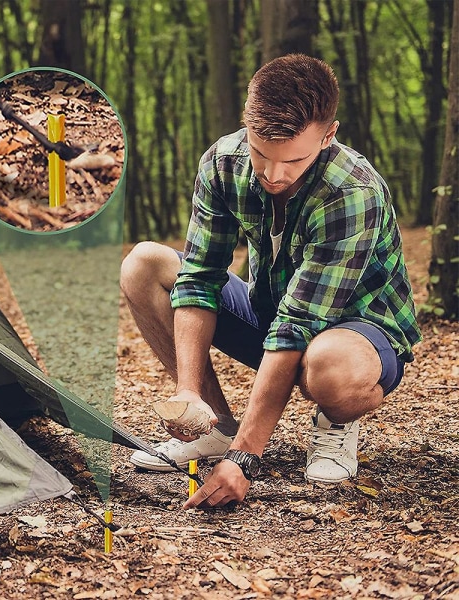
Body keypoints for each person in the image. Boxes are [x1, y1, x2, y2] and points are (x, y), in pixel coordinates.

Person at [120, 54, 421, 508]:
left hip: (358, 333)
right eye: (261, 153)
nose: (274, 174)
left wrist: (245, 459)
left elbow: (298, 323)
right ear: (246, 122)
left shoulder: (352, 192)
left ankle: (335, 425)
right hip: (272, 311)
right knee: (144, 264)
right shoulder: (223, 163)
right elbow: (200, 277)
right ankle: (215, 429)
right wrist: (187, 391)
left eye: (294, 159)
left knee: (331, 368)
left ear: (329, 135)